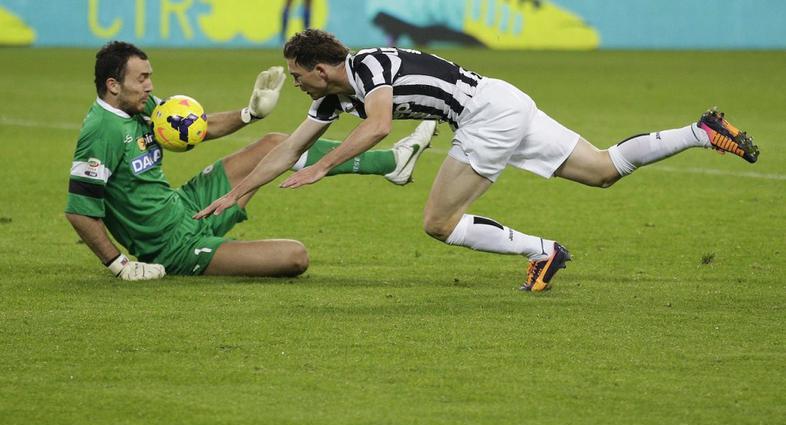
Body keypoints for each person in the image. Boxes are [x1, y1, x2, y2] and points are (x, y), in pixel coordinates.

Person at [194, 29, 760, 291]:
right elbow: (289, 147)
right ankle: (700, 131)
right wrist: (240, 193)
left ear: (320, 67)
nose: (295, 84)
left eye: (297, 75)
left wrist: (323, 167)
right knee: (604, 169)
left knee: (438, 222)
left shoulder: (366, 70)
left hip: (487, 117)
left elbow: (381, 125)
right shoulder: (333, 94)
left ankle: (544, 252)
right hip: (501, 99)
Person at [65, 40, 436, 281]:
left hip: (186, 206)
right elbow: (79, 210)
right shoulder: (102, 132)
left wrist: (249, 114)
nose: (149, 87)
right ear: (113, 85)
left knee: (273, 143)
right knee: (295, 257)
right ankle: (204, 251)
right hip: (170, 246)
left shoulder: (140, 104)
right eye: (142, 78)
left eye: (150, 78)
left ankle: (392, 162)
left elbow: (196, 128)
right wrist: (119, 264)